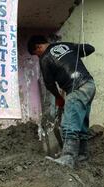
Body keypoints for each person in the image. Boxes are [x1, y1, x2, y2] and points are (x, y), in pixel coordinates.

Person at [27, 35, 96, 168]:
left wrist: (58, 97)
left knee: (69, 123)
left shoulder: (45, 57)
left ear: (38, 47)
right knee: (81, 122)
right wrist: (74, 51)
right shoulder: (67, 46)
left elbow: (49, 83)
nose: (38, 57)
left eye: (36, 54)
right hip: (89, 85)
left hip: (76, 87)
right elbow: (90, 48)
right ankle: (82, 155)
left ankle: (68, 157)